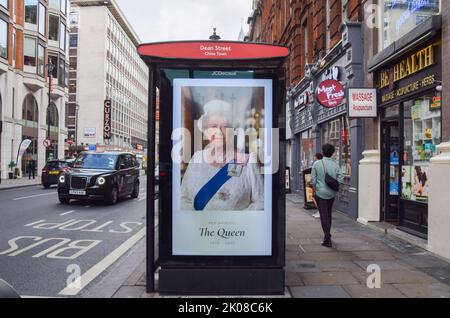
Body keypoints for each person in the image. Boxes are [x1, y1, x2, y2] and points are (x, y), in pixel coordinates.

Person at [180, 99, 264, 211]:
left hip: (236, 228)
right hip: (201, 228)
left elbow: (261, 201)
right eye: (213, 126)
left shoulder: (247, 161)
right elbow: (183, 199)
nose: (219, 132)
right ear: (206, 130)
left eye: (225, 126)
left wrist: (238, 221)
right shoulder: (197, 158)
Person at [310, 144, 343, 248]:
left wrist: (315, 189)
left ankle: (327, 238)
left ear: (323, 152)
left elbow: (313, 180)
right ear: (332, 153)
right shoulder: (336, 164)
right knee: (328, 214)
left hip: (320, 193)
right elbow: (341, 179)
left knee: (323, 215)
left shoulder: (317, 164)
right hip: (331, 193)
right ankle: (327, 236)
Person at [311, 153, 323, 219]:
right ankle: (320, 212)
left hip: (317, 184)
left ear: (316, 157)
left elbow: (313, 175)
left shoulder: (316, 164)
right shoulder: (324, 163)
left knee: (315, 198)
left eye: (314, 156)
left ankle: (320, 212)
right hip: (324, 184)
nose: (314, 157)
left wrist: (312, 184)